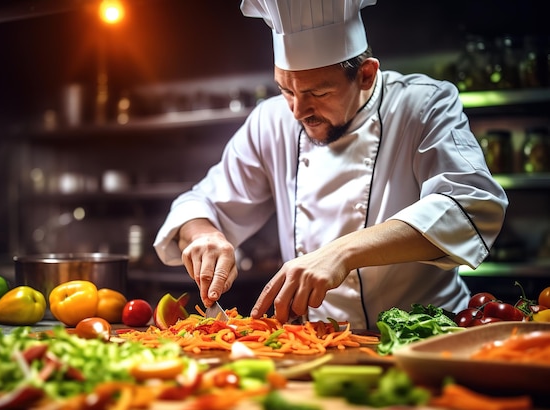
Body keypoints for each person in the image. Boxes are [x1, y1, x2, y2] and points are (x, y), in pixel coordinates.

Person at [153, 0, 508, 329]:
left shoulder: (423, 105)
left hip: (422, 334)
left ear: (366, 75)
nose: (298, 111)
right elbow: (199, 204)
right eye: (286, 90)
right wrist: (205, 235)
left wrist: (342, 252)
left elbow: (470, 205)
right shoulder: (271, 121)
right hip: (318, 340)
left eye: (318, 94)